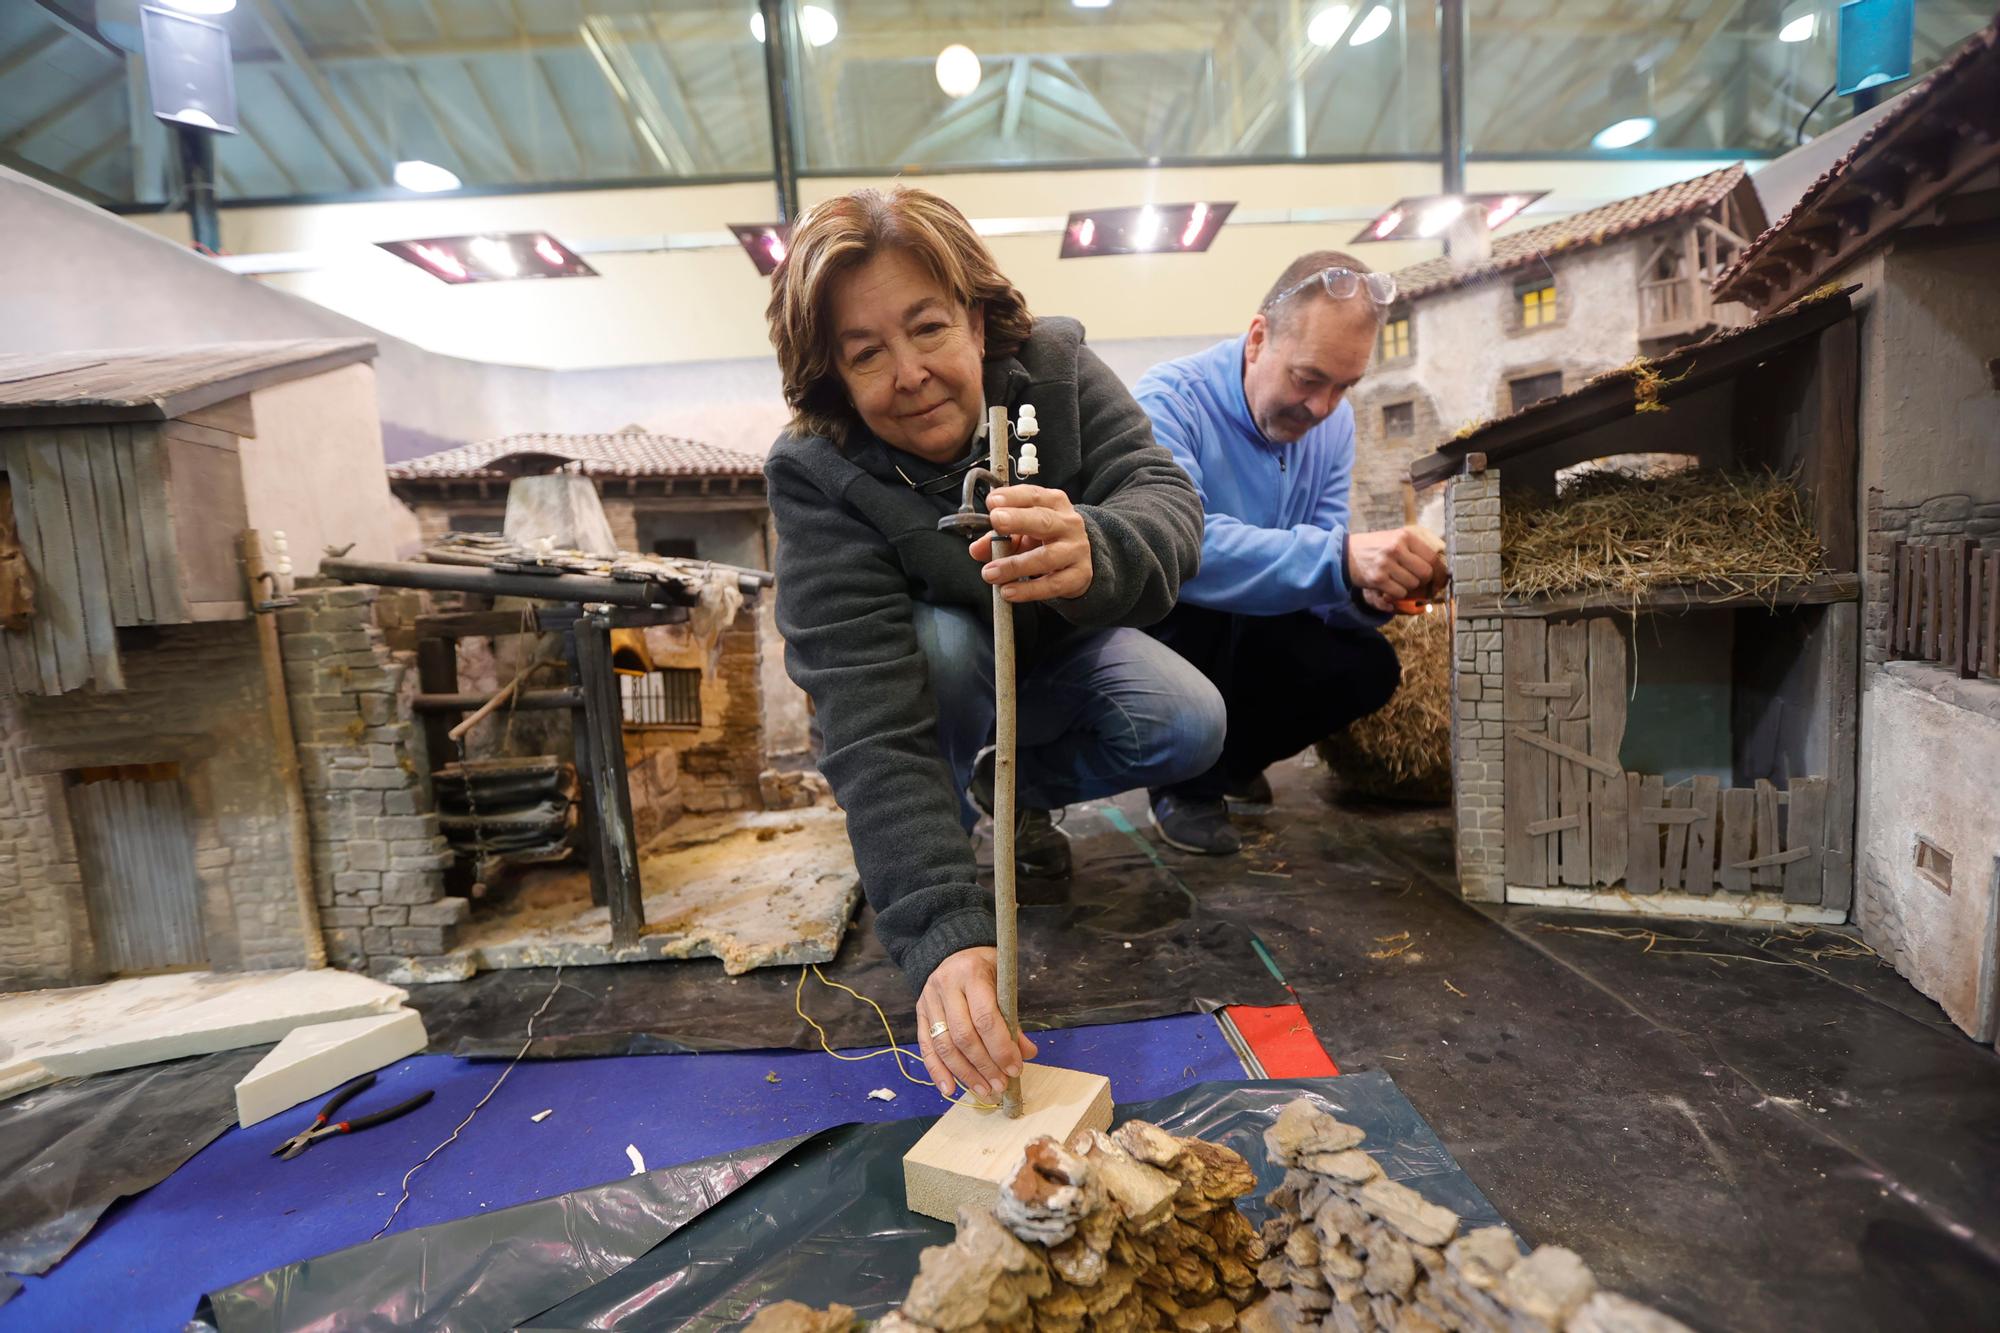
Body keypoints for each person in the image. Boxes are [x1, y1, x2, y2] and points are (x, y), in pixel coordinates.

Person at [763, 186, 1223, 1101]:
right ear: (836, 379)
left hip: (1058, 661)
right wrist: (942, 931)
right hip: (949, 682)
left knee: (1187, 719)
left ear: (976, 321)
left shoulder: (1055, 366)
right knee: (938, 645)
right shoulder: (817, 474)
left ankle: (1006, 794)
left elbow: (1162, 495)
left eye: (928, 328)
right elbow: (867, 719)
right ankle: (953, 820)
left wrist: (1099, 544)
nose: (910, 373)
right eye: (866, 354)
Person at [1132, 251, 1446, 855]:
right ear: (1257, 339)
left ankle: (1228, 763)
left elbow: (1325, 556)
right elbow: (1183, 547)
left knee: (1367, 666)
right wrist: (1342, 560)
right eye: (1308, 378)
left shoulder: (1335, 424)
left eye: (1344, 386)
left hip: (1258, 624)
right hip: (1174, 620)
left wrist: (1369, 591)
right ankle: (1181, 783)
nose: (1322, 407)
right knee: (1203, 609)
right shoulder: (1169, 400)